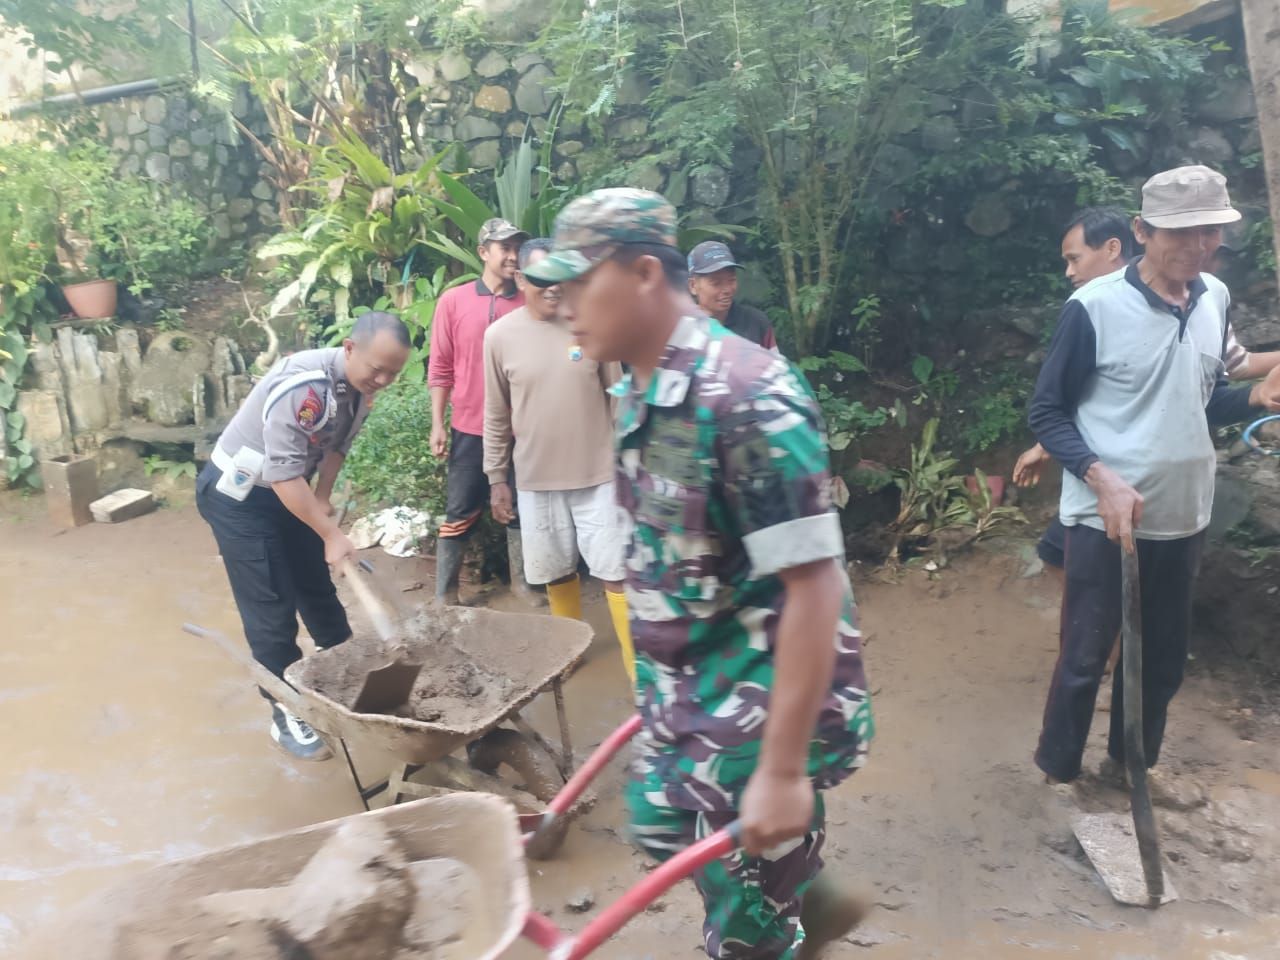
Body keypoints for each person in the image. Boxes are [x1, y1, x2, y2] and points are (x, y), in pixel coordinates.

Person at [525, 189, 874, 960]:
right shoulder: (640, 387)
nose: (560, 306)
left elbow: (815, 588)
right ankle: (806, 891)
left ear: (646, 273)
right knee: (653, 818)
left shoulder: (749, 397)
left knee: (744, 933)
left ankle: (776, 917)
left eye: (579, 284)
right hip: (691, 686)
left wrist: (783, 771)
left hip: (758, 704)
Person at [1028, 166, 1280, 787]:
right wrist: (1101, 478)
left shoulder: (1213, 299)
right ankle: (1060, 775)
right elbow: (1047, 410)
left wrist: (1255, 401)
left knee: (1162, 659)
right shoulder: (1093, 307)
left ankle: (1130, 767)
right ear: (1142, 230)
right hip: (1104, 518)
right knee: (1085, 657)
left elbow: (1206, 399)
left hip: (1183, 514)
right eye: (1183, 233)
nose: (1198, 247)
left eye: (1211, 233)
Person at [196, 312, 411, 761]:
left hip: (288, 490)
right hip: (241, 499)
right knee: (272, 605)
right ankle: (286, 711)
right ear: (350, 348)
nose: (384, 379)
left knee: (316, 587)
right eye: (377, 368)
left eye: (394, 372)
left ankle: (348, 680)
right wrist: (330, 533)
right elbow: (282, 476)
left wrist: (325, 499)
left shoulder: (357, 389)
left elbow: (335, 447)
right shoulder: (306, 388)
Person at [482, 238, 635, 680]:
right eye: (542, 279)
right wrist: (497, 476)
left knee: (615, 570)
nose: (554, 288)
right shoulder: (499, 337)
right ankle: (570, 652)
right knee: (555, 571)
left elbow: (618, 396)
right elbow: (496, 411)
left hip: (600, 475)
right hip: (535, 479)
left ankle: (635, 663)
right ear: (519, 279)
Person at [428, 218, 530, 605]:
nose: (512, 255)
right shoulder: (453, 301)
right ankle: (446, 593)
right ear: (483, 252)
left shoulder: (528, 300)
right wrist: (437, 423)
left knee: (520, 505)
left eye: (516, 247)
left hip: (521, 427)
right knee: (459, 508)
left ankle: (524, 584)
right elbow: (440, 367)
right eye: (503, 247)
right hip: (469, 425)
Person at [687, 240, 779, 351]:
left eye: (731, 280)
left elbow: (775, 366)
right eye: (716, 283)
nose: (727, 289)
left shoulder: (756, 322)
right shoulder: (682, 329)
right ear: (693, 286)